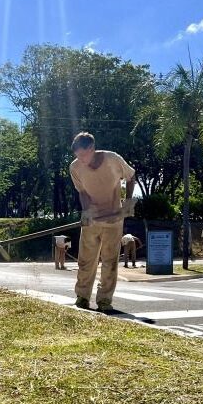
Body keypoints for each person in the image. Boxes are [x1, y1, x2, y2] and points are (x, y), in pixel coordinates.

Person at [70, 132, 136, 312]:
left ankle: (104, 300)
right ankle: (82, 297)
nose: (80, 160)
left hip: (114, 220)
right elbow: (82, 192)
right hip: (92, 220)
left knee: (110, 261)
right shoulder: (75, 167)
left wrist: (128, 202)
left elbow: (131, 176)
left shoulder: (112, 159)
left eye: (83, 155)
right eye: (77, 156)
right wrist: (86, 211)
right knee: (86, 261)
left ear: (91, 148)